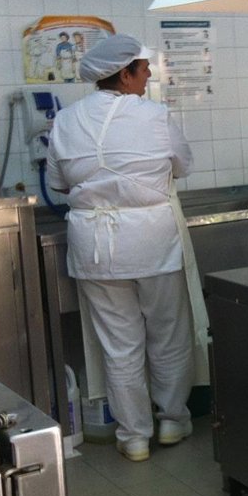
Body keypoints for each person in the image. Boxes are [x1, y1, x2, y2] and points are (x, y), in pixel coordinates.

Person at [46, 34, 204, 462]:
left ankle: (134, 436)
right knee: (168, 336)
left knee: (120, 345)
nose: (149, 74)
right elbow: (183, 166)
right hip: (152, 241)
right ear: (125, 74)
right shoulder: (154, 115)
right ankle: (172, 420)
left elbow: (58, 183)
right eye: (144, 68)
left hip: (94, 247)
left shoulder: (66, 120)